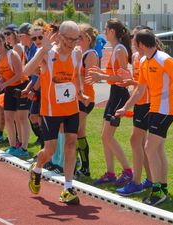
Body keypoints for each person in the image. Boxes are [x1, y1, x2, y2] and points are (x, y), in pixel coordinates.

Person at [116, 29, 173, 206]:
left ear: (141, 44)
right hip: (154, 109)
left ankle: (157, 191)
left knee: (149, 148)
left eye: (135, 44)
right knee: (157, 150)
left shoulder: (165, 60)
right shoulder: (143, 61)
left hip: (166, 110)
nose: (134, 47)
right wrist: (125, 107)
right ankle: (163, 188)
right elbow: (140, 89)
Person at [25, 20, 85, 204]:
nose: (73, 43)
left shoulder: (76, 54)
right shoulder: (47, 53)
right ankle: (37, 167)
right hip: (51, 110)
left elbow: (76, 77)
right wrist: (42, 50)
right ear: (60, 36)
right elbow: (26, 71)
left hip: (71, 108)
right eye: (69, 39)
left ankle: (67, 187)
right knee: (49, 150)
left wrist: (81, 93)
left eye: (76, 39)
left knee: (70, 144)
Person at [87, 18, 133, 187]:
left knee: (107, 136)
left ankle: (128, 171)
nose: (104, 32)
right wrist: (101, 73)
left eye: (106, 30)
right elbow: (114, 74)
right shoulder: (115, 49)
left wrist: (102, 76)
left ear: (112, 31)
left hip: (119, 93)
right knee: (105, 136)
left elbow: (123, 78)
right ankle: (110, 173)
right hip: (115, 93)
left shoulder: (120, 49)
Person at [115, 25, 154, 196]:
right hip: (141, 103)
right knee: (142, 144)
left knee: (135, 141)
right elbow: (140, 83)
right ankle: (150, 180)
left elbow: (145, 86)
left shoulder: (147, 57)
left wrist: (126, 105)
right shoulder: (138, 56)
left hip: (146, 104)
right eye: (132, 35)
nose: (132, 39)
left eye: (135, 36)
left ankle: (136, 182)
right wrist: (129, 81)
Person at [0, 32, 30, 158]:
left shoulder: (12, 55)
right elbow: (3, 77)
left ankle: (24, 148)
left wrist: (4, 84)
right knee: (8, 117)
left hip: (22, 86)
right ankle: (12, 146)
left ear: (4, 41)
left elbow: (19, 74)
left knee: (22, 118)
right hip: (9, 88)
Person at [75, 23, 99, 177]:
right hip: (76, 97)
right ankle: (81, 166)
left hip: (85, 99)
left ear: (89, 39)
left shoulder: (90, 54)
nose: (77, 40)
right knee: (77, 133)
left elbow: (90, 78)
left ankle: (84, 167)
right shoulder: (79, 53)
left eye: (80, 37)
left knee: (77, 132)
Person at [19, 22, 44, 148]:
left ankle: (44, 145)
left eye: (39, 37)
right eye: (35, 38)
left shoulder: (38, 49)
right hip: (36, 86)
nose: (37, 40)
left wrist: (33, 89)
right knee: (34, 116)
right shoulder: (29, 48)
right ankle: (42, 141)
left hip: (42, 88)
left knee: (39, 118)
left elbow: (41, 74)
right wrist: (28, 88)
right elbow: (32, 73)